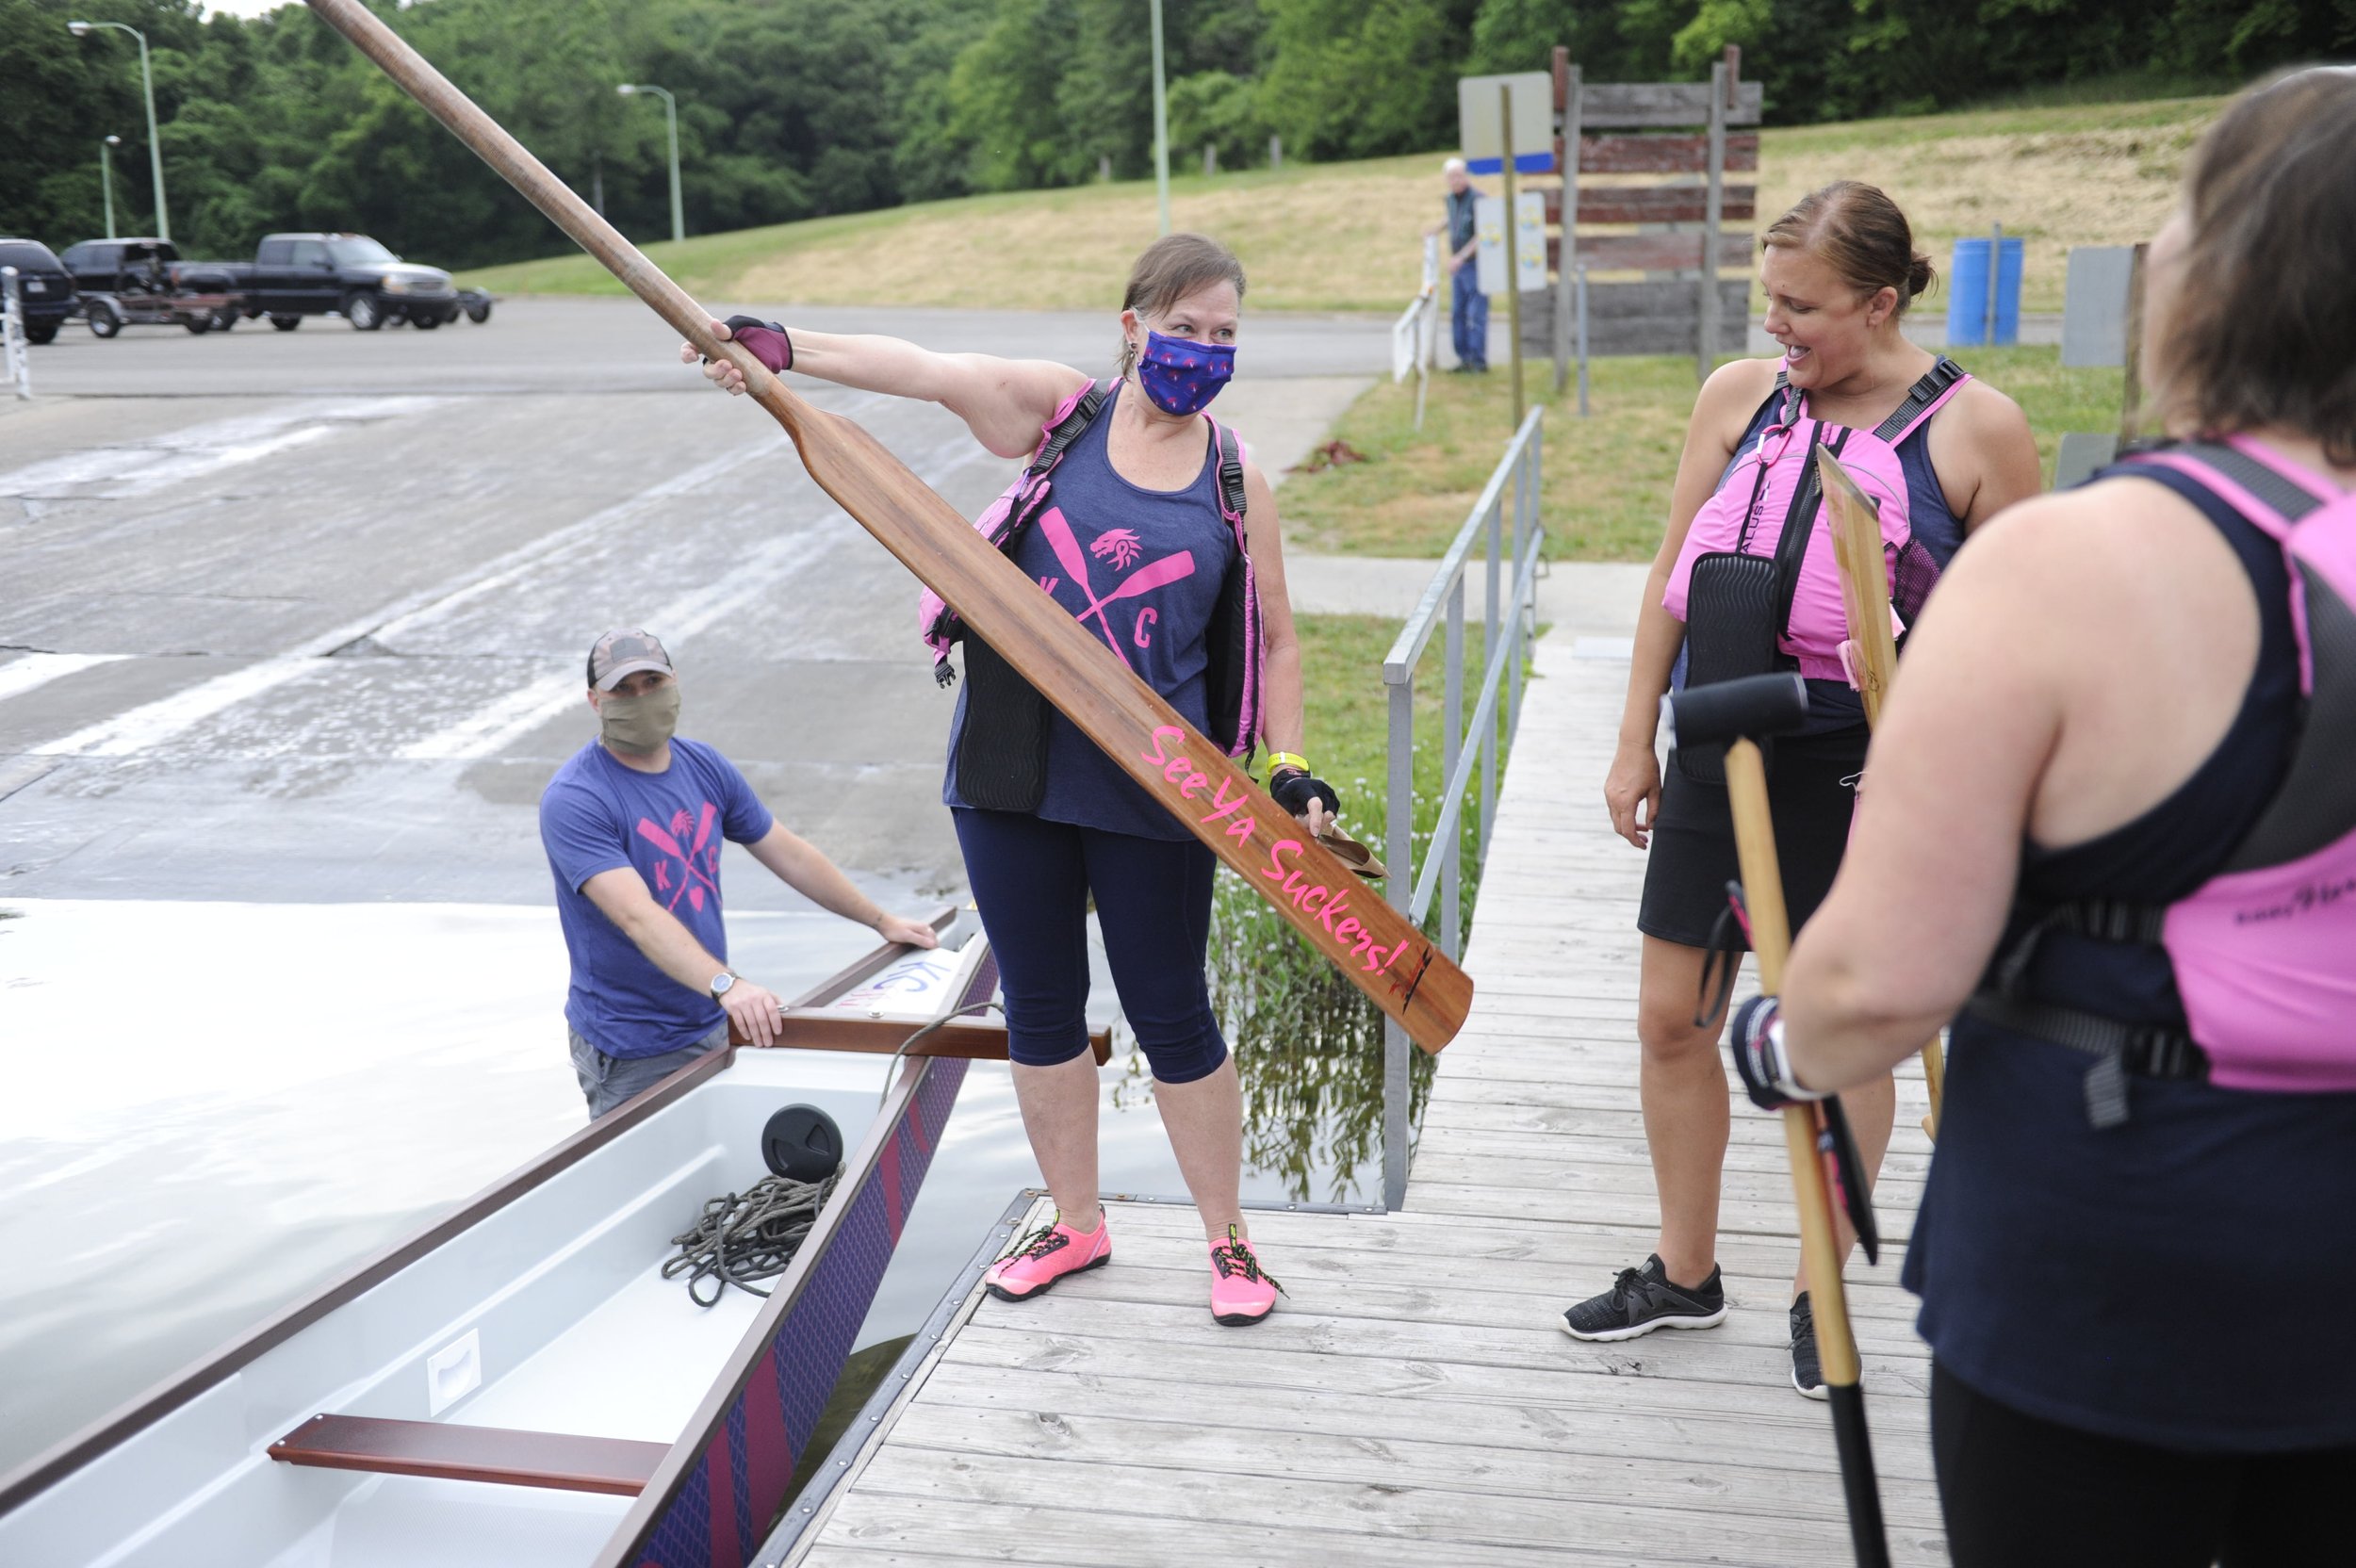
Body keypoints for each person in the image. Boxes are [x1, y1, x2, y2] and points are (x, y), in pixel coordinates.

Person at [1729, 69, 2356, 1562]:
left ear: (2212, 276)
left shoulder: (2084, 566)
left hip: (2116, 1267)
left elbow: (1877, 982)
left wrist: (1777, 1041)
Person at [683, 233, 1337, 1327]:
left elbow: (1273, 638)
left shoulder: (1236, 476)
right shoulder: (1061, 415)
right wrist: (785, 349)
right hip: (1011, 763)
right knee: (1039, 1004)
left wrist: (1287, 761)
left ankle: (1228, 1243)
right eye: (1185, 329)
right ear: (1134, 328)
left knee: (1172, 1010)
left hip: (1155, 781)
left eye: (1224, 335)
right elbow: (928, 369)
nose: (1205, 351)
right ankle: (1076, 1221)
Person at [1561, 183, 2041, 1396]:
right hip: (1715, 750)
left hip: (1858, 770)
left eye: (1802, 307)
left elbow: (2019, 643)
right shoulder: (1738, 398)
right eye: (1765, 301)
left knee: (1834, 1037)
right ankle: (1684, 1271)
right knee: (1670, 1016)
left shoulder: (1976, 431)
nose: (1776, 327)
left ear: (1880, 303)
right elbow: (1671, 575)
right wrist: (1633, 744)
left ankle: (1815, 1284)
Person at [541, 629, 938, 1118]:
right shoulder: (577, 798)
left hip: (710, 1014)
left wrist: (880, 920)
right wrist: (729, 985)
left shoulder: (703, 766)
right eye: (623, 689)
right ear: (594, 700)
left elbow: (787, 853)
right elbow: (636, 916)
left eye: (652, 682)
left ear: (674, 683)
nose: (641, 698)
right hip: (632, 1044)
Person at [1428, 157, 1488, 372]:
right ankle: (1464, 358)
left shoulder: (1479, 199)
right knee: (1457, 314)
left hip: (1475, 264)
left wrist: (1461, 256)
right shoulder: (1451, 199)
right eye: (1452, 176)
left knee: (1475, 314)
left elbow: (1484, 233)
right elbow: (1452, 218)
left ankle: (1478, 360)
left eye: (1460, 175)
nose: (1457, 180)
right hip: (1459, 269)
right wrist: (1436, 229)